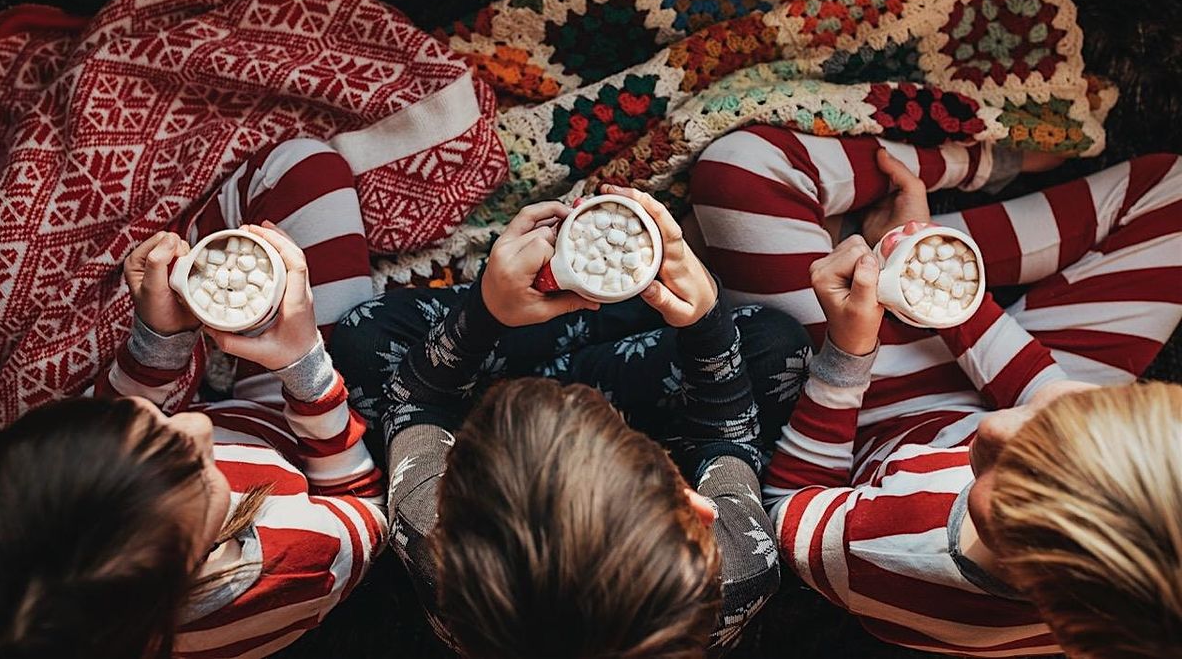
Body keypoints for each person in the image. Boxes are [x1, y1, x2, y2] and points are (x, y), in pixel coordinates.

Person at [689, 126, 1182, 655]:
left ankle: (896, 231)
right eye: (1062, 427)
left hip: (881, 406)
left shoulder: (886, 551)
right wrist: (939, 286)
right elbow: (1048, 393)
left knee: (740, 169)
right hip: (1040, 363)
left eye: (995, 477)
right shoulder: (1110, 552)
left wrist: (847, 355)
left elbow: (790, 501)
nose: (994, 427)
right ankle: (910, 243)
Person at [331, 186, 812, 657]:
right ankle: (618, 299)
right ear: (696, 507)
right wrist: (706, 319)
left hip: (473, 385)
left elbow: (416, 404)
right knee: (775, 346)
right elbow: (724, 436)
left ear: (450, 503)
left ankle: (565, 305)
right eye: (621, 435)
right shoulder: (742, 565)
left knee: (363, 339)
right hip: (645, 398)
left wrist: (486, 309)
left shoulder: (431, 541)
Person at [0, 140, 385, 659]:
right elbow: (364, 504)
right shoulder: (299, 561)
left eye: (139, 422)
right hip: (311, 434)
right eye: (199, 469)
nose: (193, 426)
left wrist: (159, 340)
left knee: (286, 182)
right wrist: (304, 367)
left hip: (260, 390)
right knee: (305, 168)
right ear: (196, 559)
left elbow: (120, 409)